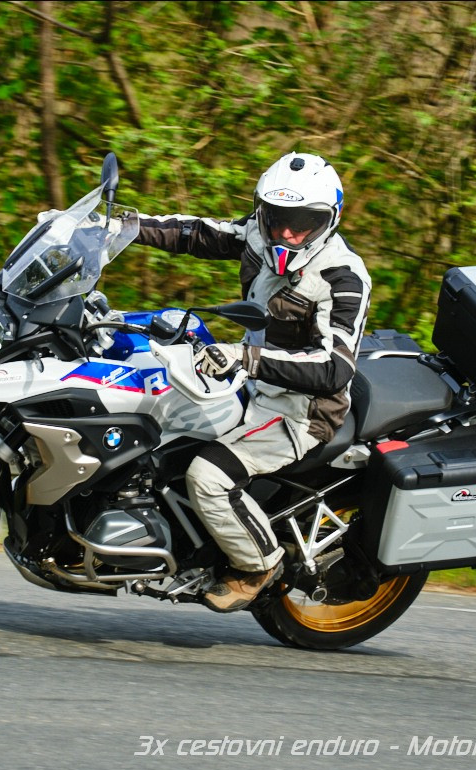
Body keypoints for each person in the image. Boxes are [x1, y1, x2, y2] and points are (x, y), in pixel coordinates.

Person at [134, 152, 371, 612]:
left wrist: (246, 357)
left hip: (298, 412)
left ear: (330, 219)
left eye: (303, 222)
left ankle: (258, 564)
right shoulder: (258, 235)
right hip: (249, 382)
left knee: (208, 476)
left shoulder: (343, 278)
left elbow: (334, 368)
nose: (287, 232)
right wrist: (120, 226)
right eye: (279, 218)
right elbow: (195, 232)